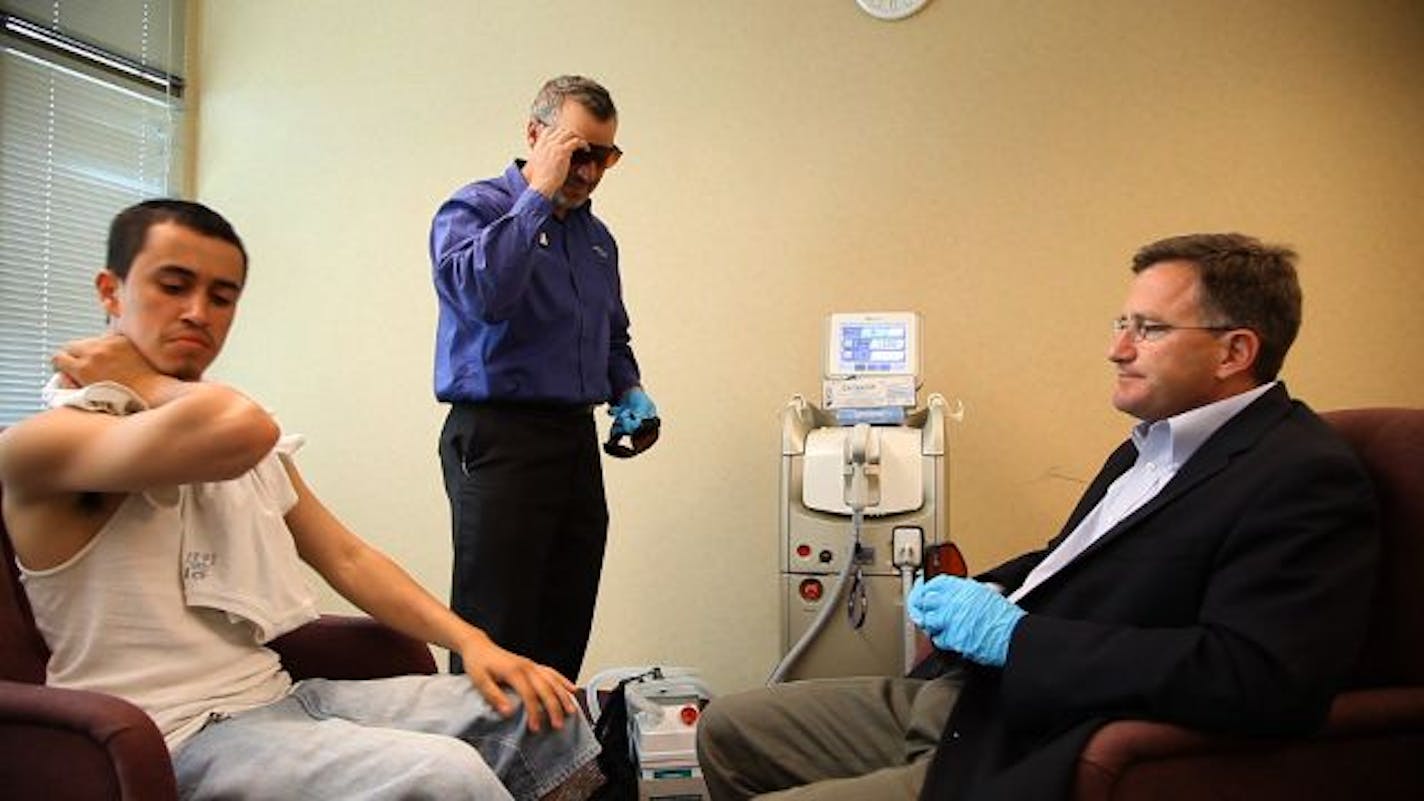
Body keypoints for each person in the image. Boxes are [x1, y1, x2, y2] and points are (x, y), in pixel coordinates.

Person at [696, 233, 1380, 801]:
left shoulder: (1299, 476)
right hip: (971, 699)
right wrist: (987, 590)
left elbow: (1252, 677)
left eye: (1148, 329)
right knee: (727, 727)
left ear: (1235, 351)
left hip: (1034, 737)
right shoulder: (1152, 444)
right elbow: (1077, 560)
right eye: (1122, 324)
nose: (1118, 348)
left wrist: (1017, 639)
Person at [0, 199, 604, 801]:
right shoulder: (49, 443)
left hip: (279, 698)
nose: (197, 312)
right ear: (111, 291)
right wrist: (145, 381)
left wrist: (474, 643)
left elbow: (348, 558)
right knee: (445, 774)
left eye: (221, 296)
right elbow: (241, 426)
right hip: (174, 736)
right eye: (173, 285)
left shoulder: (229, 440)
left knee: (542, 710)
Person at [429, 75, 657, 680]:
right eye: (577, 151)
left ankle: (553, 771)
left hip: (573, 441)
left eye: (604, 157)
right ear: (536, 134)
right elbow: (486, 296)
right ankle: (481, 774)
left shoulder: (597, 240)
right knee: (497, 630)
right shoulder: (473, 210)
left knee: (565, 617)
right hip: (500, 439)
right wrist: (537, 196)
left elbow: (611, 336)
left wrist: (628, 389)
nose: (589, 171)